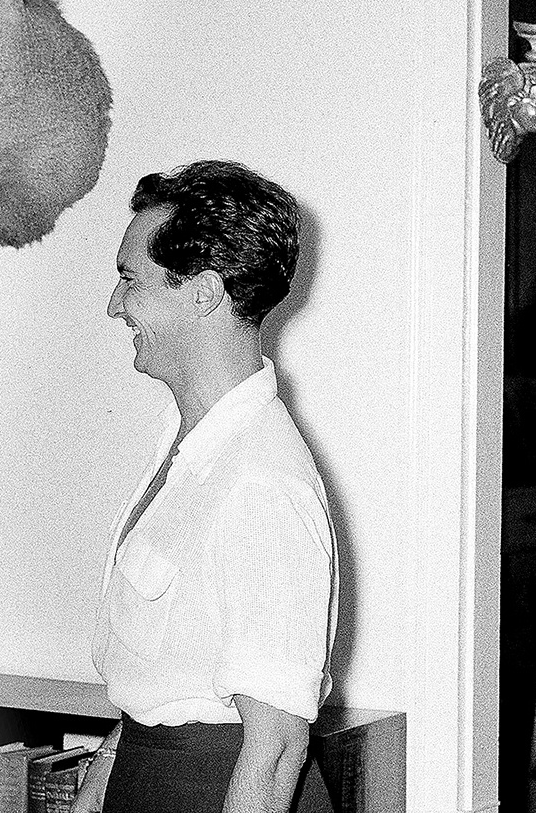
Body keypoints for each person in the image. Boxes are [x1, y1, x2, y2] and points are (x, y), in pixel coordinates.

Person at [74, 160, 338, 813]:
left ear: (203, 292)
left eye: (129, 280)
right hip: (146, 774)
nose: (114, 305)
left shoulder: (263, 483)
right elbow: (159, 683)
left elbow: (275, 749)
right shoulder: (186, 449)